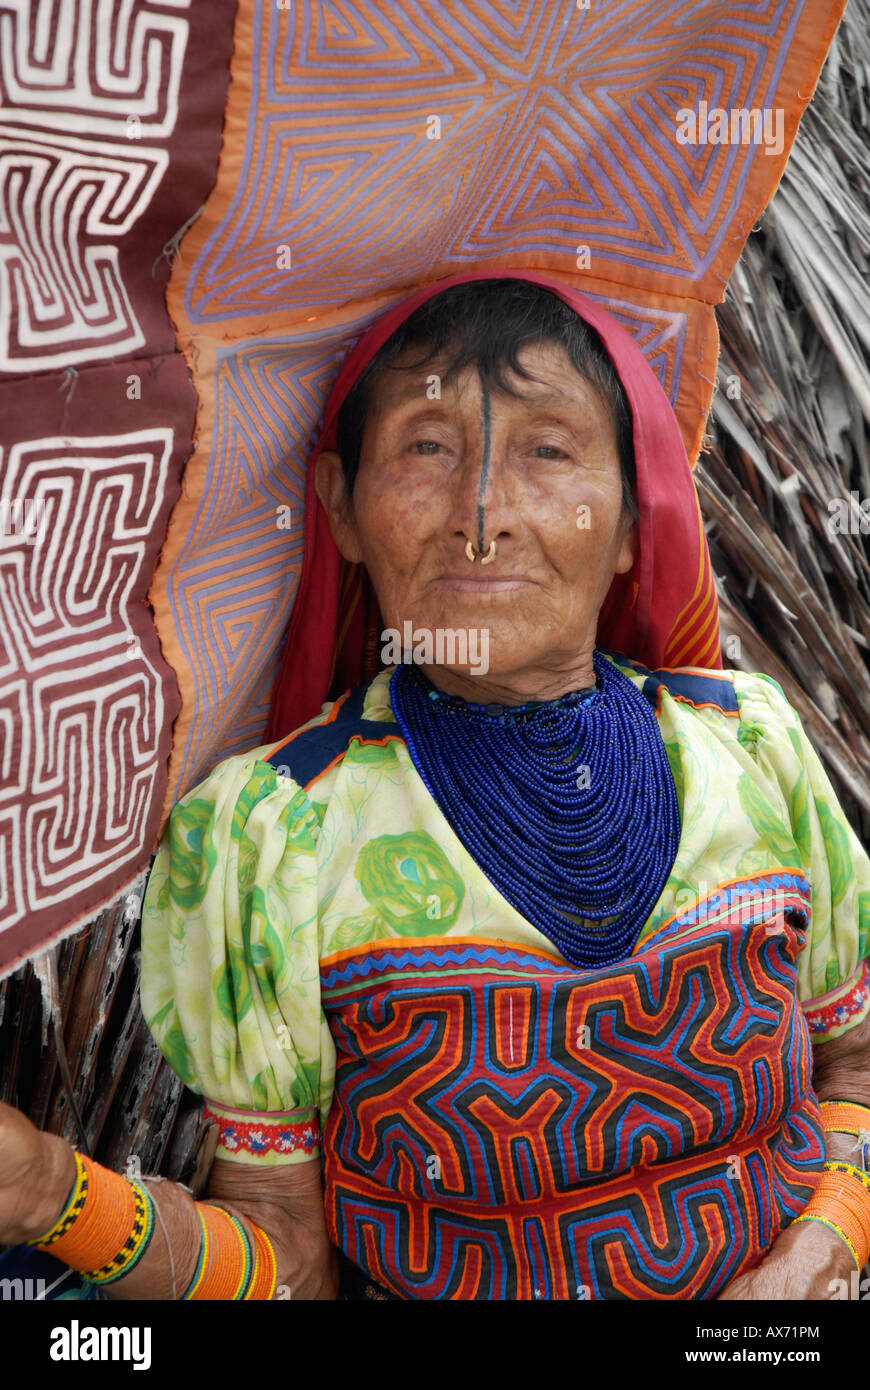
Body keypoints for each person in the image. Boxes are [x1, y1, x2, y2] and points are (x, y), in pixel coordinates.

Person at [1, 273, 869, 1301]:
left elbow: (853, 1069)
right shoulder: (272, 833)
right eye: (426, 446)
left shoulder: (755, 746)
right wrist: (47, 1191)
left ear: (637, 517)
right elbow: (288, 1262)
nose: (482, 516)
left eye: (548, 450)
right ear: (342, 507)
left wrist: (815, 1266)